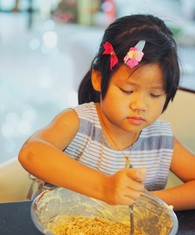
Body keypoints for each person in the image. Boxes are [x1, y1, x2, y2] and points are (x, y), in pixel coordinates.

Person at [18, 14, 195, 210]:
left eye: (154, 95)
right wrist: (104, 187)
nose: (140, 105)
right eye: (127, 90)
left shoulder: (160, 140)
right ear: (98, 79)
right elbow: (31, 153)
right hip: (59, 230)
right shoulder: (79, 124)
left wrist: (148, 202)